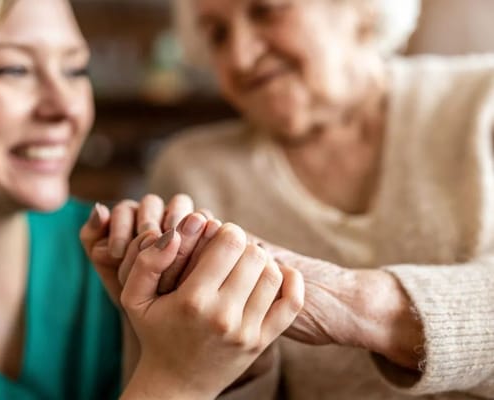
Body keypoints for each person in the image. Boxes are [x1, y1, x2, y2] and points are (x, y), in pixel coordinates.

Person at [0, 0, 305, 399]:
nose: (65, 106)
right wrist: (178, 382)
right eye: (13, 69)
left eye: (76, 70)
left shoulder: (123, 257)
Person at [148, 0, 494, 398]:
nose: (240, 56)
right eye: (217, 34)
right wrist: (233, 360)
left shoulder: (483, 101)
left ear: (361, 9)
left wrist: (352, 302)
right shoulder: (194, 173)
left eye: (266, 10)